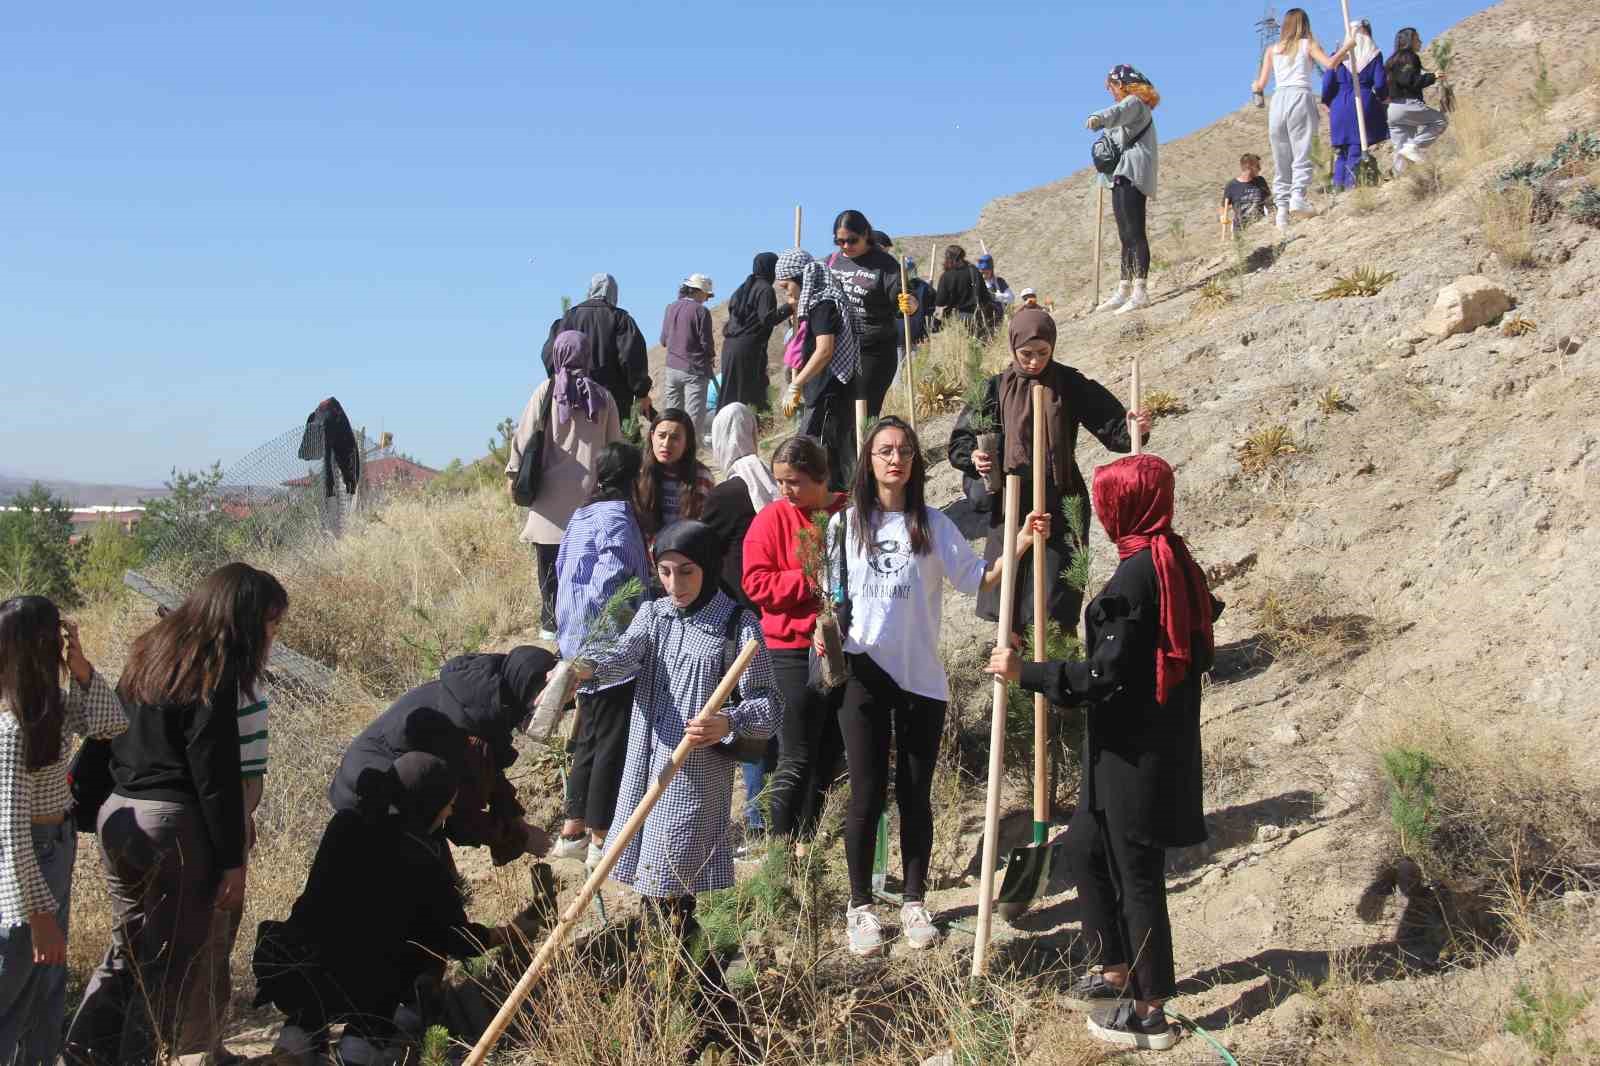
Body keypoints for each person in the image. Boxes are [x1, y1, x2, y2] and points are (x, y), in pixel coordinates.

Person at [987, 453, 1219, 1052]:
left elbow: (1102, 675)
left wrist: (1027, 672)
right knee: (1088, 848)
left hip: (1132, 754)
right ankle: (1112, 967)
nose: (1101, 512)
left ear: (1125, 505)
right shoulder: (1170, 560)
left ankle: (1150, 1013)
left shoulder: (1140, 575)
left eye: (1106, 500)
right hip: (1132, 747)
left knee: (1135, 875)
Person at [830, 418, 1049, 957]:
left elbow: (978, 577)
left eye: (904, 451)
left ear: (914, 463)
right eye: (884, 450)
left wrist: (1019, 543)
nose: (895, 459)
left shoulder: (932, 524)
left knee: (915, 794)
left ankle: (913, 900)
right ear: (868, 460)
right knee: (865, 792)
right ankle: (860, 905)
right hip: (862, 674)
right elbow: (829, 595)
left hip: (921, 679)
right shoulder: (843, 525)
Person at [66, 563, 287, 1066]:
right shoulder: (216, 665)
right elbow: (215, 773)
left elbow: (109, 730)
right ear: (244, 618)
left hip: (119, 817)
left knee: (126, 951)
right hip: (174, 829)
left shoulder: (152, 648)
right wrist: (233, 859)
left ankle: (82, 1053)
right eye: (269, 623)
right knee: (169, 968)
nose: (271, 635)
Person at [256, 752, 540, 1066]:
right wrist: (510, 933)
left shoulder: (346, 823)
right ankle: (362, 1046)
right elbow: (457, 939)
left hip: (299, 968)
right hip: (366, 985)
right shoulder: (421, 854)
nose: (449, 811)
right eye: (447, 804)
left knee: (333, 961)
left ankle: (293, 1047)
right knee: (406, 957)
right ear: (430, 803)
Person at [575, 520, 782, 933]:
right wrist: (584, 670)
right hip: (641, 770)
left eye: (686, 571)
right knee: (659, 897)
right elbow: (624, 656)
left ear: (708, 567)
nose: (675, 584)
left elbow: (770, 707)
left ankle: (691, 986)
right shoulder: (654, 613)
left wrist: (728, 721)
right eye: (665, 572)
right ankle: (690, 988)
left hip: (692, 778)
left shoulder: (738, 626)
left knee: (665, 892)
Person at [949, 307, 1150, 636]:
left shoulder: (1070, 383)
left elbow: (1115, 430)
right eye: (1026, 354)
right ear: (1013, 347)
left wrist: (1135, 429)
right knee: (1009, 599)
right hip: (1010, 505)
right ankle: (1016, 678)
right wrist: (975, 457)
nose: (1034, 362)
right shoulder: (993, 388)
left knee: (1055, 602)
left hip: (1061, 499)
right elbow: (961, 442)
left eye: (1043, 353)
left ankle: (1057, 675)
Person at [0, 598, 126, 1066]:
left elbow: (112, 724)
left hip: (55, 846)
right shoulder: (12, 725)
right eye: (56, 637)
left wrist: (82, 668)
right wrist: (37, 913)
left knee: (44, 993)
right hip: (28, 859)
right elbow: (10, 832)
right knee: (13, 986)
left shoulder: (44, 708)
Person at [328, 645, 557, 866]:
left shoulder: (484, 694)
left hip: (389, 778)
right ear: (524, 697)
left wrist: (513, 816)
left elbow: (490, 767)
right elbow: (459, 820)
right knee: (419, 880)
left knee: (433, 866)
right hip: (370, 794)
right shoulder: (464, 732)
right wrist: (521, 838)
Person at [741, 436, 850, 851]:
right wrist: (809, 578)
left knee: (830, 750)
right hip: (789, 646)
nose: (785, 490)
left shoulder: (847, 513)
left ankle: (808, 839)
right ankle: (781, 848)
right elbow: (755, 582)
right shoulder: (771, 520)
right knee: (796, 751)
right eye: (780, 481)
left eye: (794, 481)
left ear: (820, 477)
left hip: (843, 644)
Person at [550, 442, 652, 869]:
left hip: (576, 640)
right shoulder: (618, 520)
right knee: (611, 738)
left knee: (589, 735)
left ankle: (573, 828)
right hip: (607, 645)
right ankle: (601, 835)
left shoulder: (581, 516)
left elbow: (559, 572)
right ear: (634, 479)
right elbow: (615, 586)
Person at [509, 329, 624, 640]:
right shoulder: (603, 397)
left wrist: (513, 475)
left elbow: (522, 440)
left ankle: (551, 627)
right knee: (585, 573)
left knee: (549, 573)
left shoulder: (545, 392)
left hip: (547, 504)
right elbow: (616, 449)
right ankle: (583, 630)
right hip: (588, 503)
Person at [701, 403, 780, 846]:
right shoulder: (769, 480)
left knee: (748, 716)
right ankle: (772, 813)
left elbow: (701, 550)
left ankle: (756, 819)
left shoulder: (726, 494)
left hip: (742, 620)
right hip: (780, 615)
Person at [1252, 9, 1355, 230]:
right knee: (1302, 150)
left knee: (1282, 156)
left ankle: (1281, 210)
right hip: (1300, 96)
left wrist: (1256, 90)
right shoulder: (1308, 44)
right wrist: (1347, 48)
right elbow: (1329, 65)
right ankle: (1297, 196)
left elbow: (1259, 85)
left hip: (1278, 101)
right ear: (1304, 24)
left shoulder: (1272, 50)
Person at [774, 248, 862, 493]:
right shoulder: (814, 304)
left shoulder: (822, 304)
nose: (786, 293)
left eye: (786, 286)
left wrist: (796, 384)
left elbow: (824, 350)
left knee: (823, 455)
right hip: (821, 390)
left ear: (800, 279)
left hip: (830, 391)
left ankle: (834, 510)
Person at [826, 211, 918, 418]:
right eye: (839, 241)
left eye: (852, 240)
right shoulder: (831, 262)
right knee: (837, 417)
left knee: (862, 417)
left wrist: (911, 305)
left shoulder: (885, 265)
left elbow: (905, 298)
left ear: (866, 234)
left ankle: (865, 451)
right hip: (837, 351)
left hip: (872, 352)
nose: (846, 246)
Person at [1088, 66, 1162, 315]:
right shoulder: (1131, 109)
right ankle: (1124, 288)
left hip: (1132, 171)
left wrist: (1098, 118)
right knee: (1125, 235)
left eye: (1111, 86)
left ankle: (1140, 291)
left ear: (1121, 84)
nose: (1110, 91)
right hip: (1120, 173)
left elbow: (1115, 112)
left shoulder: (1134, 103)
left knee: (1135, 231)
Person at [540, 272, 654, 424]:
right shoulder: (621, 320)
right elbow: (632, 358)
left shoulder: (567, 319)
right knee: (615, 446)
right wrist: (641, 392)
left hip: (571, 403)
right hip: (612, 404)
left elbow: (549, 355)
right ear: (613, 293)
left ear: (590, 291)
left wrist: (564, 381)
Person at [1321, 19, 1389, 190]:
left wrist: (1327, 101)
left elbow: (1328, 83)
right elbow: (1380, 84)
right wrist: (1383, 98)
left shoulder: (1337, 55)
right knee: (1356, 147)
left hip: (1339, 105)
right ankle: (1352, 188)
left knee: (1342, 152)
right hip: (1362, 100)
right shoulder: (1374, 54)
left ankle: (1338, 187)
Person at [720, 253, 790, 411]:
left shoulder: (742, 289)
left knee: (732, 395)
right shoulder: (765, 289)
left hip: (731, 348)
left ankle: (733, 430)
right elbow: (767, 319)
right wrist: (790, 307)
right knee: (751, 396)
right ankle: (754, 430)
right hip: (748, 349)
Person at [635, 408, 715, 540]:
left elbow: (703, 527)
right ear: (652, 436)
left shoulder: (701, 477)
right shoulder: (638, 473)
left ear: (687, 442)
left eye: (674, 438)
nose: (666, 444)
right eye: (661, 436)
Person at [660, 274, 718, 443]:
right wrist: (711, 356)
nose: (706, 300)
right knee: (693, 419)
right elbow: (706, 343)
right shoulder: (701, 311)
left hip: (672, 368)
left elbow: (663, 340)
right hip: (694, 370)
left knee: (671, 416)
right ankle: (690, 455)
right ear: (698, 291)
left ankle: (669, 450)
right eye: (706, 295)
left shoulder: (670, 307)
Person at [1386, 27, 1448, 173]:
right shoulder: (1409, 57)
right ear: (1409, 41)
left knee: (1400, 149)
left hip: (1392, 110)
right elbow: (1409, 80)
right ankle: (1414, 147)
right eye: (1417, 39)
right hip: (1407, 105)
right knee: (1441, 121)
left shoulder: (1391, 61)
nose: (1420, 42)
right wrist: (1433, 77)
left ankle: (1398, 178)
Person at [934, 245, 995, 335]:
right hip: (978, 317)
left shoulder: (946, 276)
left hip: (956, 320)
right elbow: (985, 296)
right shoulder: (974, 271)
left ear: (948, 258)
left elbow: (940, 302)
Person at [1221, 153, 1273, 230]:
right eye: (1257, 166)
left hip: (1260, 227)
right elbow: (1223, 207)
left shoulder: (1260, 181)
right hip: (1241, 231)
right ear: (1249, 166)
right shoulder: (1232, 185)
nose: (1260, 169)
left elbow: (1269, 204)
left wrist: (1273, 218)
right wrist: (1223, 217)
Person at [903, 257, 939, 344]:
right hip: (907, 334)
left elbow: (933, 307)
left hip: (918, 334)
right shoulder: (897, 286)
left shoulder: (925, 287)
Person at [977, 253, 1013, 331]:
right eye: (981, 273)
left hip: (999, 320)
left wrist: (996, 296)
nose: (983, 275)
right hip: (982, 321)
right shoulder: (977, 284)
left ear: (991, 270)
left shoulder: (999, 282)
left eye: (986, 272)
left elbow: (1011, 298)